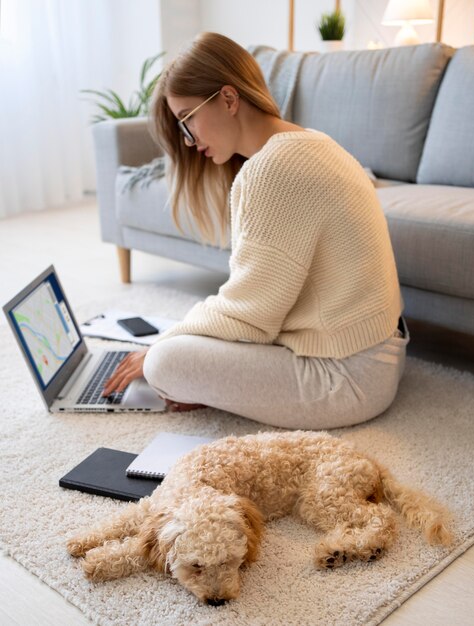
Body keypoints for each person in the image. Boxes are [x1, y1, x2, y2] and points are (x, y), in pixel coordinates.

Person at [102, 32, 410, 429]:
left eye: (188, 118)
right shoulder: (310, 140)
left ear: (229, 99)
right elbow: (261, 300)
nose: (189, 140)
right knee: (186, 339)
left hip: (346, 379)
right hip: (378, 353)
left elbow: (251, 316)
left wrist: (162, 346)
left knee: (165, 361)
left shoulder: (272, 168)